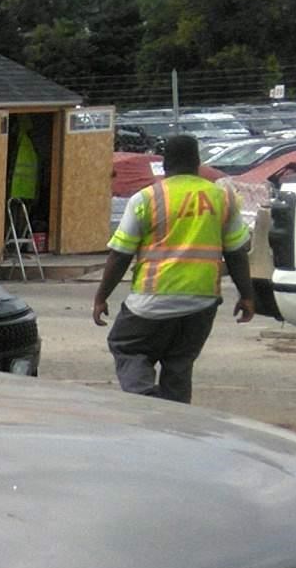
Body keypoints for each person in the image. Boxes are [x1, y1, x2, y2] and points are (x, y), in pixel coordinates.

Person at [90, 133, 255, 403]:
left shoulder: (146, 199)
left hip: (152, 301)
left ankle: (145, 400)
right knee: (179, 364)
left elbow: (120, 255)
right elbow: (237, 252)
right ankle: (177, 424)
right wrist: (247, 295)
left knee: (127, 346)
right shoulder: (222, 198)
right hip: (201, 304)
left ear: (164, 164)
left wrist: (101, 297)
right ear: (198, 162)